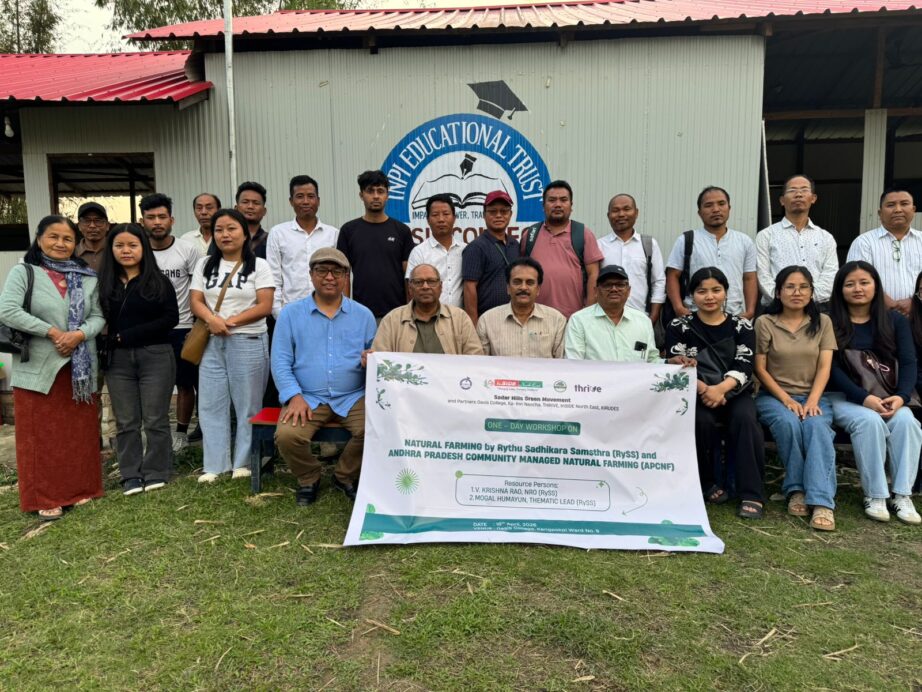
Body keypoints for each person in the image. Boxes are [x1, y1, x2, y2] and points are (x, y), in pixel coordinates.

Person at [0, 215, 105, 520]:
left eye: (67, 238)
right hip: (39, 366)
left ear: (76, 243)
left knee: (77, 433)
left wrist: (78, 334)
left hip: (79, 368)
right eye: (53, 237)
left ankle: (80, 488)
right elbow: (8, 310)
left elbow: (98, 316)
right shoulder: (25, 271)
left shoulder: (87, 276)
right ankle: (44, 496)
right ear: (39, 239)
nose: (60, 243)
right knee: (40, 435)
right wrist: (54, 332)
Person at [272, 248, 376, 506]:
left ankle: (344, 475)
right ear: (311, 275)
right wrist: (293, 396)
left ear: (346, 277)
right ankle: (309, 477)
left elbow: (375, 358)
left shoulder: (363, 315)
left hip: (353, 396)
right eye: (322, 271)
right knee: (287, 436)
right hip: (308, 396)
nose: (330, 277)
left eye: (337, 272)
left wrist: (371, 361)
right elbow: (280, 361)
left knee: (377, 428)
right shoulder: (290, 314)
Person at [665, 267, 765, 519]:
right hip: (695, 391)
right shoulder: (679, 325)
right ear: (692, 296)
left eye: (716, 290)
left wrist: (720, 389)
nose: (709, 297)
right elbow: (676, 364)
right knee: (700, 421)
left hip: (734, 391)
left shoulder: (742, 326)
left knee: (746, 419)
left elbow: (745, 363)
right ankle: (706, 482)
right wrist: (704, 389)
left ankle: (751, 493)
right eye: (702, 291)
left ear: (726, 293)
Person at [827, 261, 921, 524]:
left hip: (888, 394)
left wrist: (901, 397)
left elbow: (909, 361)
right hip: (843, 396)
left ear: (876, 286)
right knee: (869, 422)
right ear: (840, 289)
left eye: (864, 282)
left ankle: (902, 494)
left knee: (907, 422)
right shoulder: (830, 321)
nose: (858, 288)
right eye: (850, 284)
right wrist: (864, 398)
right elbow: (831, 369)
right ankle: (876, 494)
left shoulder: (894, 320)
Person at [189, 209, 274, 483]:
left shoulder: (259, 265)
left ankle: (244, 462)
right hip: (212, 341)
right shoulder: (204, 264)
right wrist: (212, 320)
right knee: (211, 403)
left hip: (248, 340)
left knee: (248, 404)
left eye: (231, 228)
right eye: (219, 230)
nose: (225, 234)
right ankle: (215, 465)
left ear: (244, 233)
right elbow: (196, 300)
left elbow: (265, 305)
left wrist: (229, 322)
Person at [754, 266, 838, 531]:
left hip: (814, 395)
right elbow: (760, 369)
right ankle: (796, 490)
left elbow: (824, 367)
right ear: (778, 292)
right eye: (789, 287)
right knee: (788, 423)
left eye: (803, 287)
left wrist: (812, 400)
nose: (797, 292)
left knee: (816, 426)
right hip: (773, 396)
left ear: (812, 292)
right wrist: (786, 400)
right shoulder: (765, 322)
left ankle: (822, 501)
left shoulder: (822, 322)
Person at [98, 223, 179, 495]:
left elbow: (170, 318)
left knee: (155, 418)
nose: (126, 251)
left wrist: (125, 336)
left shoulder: (158, 281)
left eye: (133, 245)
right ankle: (130, 474)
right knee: (126, 421)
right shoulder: (104, 283)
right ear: (111, 249)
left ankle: (156, 470)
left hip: (155, 356)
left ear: (143, 248)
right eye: (119, 245)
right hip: (118, 361)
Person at [140, 192, 204, 451]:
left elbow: (198, 291)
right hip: (149, 330)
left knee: (185, 383)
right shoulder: (138, 250)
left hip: (183, 328)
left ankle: (181, 434)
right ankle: (155, 435)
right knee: (152, 386)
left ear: (171, 220)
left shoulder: (188, 250)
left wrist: (196, 325)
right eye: (151, 217)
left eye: (162, 217)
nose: (157, 222)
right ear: (142, 221)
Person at [666, 186, 758, 320]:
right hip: (695, 316)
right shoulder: (686, 240)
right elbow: (672, 275)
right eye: (709, 205)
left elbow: (749, 278)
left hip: (733, 315)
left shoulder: (744, 241)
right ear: (699, 213)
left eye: (721, 203)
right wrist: (679, 308)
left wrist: (750, 311)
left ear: (729, 208)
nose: (716, 209)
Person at [337, 170, 414, 320]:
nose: (376, 196)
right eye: (370, 191)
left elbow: (409, 276)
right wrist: (345, 311)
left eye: (380, 191)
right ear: (361, 195)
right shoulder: (348, 230)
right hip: (360, 314)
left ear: (387, 195)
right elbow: (343, 274)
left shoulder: (402, 231)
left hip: (396, 315)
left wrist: (410, 310)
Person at [521, 180, 603, 318]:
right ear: (543, 206)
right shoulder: (530, 235)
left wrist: (587, 315)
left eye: (563, 200)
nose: (558, 204)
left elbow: (593, 274)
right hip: (535, 317)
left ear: (571, 205)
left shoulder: (583, 234)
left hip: (573, 319)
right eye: (552, 200)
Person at [756, 175, 838, 307]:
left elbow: (830, 275)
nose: (798, 194)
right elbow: (762, 275)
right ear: (782, 200)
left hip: (818, 308)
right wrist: (782, 298)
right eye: (792, 190)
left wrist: (807, 298)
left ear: (813, 198)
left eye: (804, 190)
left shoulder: (825, 237)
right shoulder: (766, 235)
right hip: (776, 308)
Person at [266, 175, 339, 318]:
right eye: (299, 196)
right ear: (291, 201)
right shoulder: (278, 233)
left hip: (327, 310)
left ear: (318, 201)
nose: (306, 201)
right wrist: (278, 313)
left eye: (311, 196)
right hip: (291, 311)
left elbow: (340, 275)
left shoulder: (333, 234)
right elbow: (274, 277)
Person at [373, 264, 482, 355]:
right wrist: (370, 358)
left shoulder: (460, 318)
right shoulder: (392, 320)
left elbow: (475, 359)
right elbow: (380, 361)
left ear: (441, 287)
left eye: (431, 281)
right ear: (410, 288)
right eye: (418, 282)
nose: (425, 287)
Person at [847, 189, 922, 317]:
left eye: (904, 204)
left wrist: (915, 302)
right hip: (877, 317)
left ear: (913, 209)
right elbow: (855, 279)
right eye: (891, 205)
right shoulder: (864, 242)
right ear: (880, 213)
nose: (898, 209)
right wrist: (886, 302)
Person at [565, 265, 662, 363]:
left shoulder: (643, 321)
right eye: (607, 285)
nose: (614, 289)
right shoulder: (579, 321)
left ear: (628, 291)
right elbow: (573, 363)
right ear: (596, 291)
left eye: (620, 285)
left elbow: (651, 360)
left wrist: (667, 363)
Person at [477, 257, 566, 358]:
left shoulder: (556, 320)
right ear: (508, 288)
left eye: (530, 282)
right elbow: (481, 363)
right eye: (517, 282)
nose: (523, 287)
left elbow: (561, 364)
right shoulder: (487, 321)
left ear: (538, 289)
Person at [598, 194, 666, 323]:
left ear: (636, 213)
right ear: (608, 215)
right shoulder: (599, 246)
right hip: (606, 319)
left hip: (641, 317)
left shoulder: (649, 244)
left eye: (626, 209)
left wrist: (653, 317)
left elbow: (659, 282)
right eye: (615, 210)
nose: (621, 214)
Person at [462, 190, 521, 326]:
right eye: (493, 211)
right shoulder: (476, 247)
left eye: (504, 211)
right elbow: (469, 287)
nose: (498, 215)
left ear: (510, 214)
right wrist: (473, 325)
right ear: (484, 215)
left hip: (514, 318)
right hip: (487, 321)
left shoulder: (514, 244)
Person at [406, 193, 463, 307]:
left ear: (454, 218)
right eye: (435, 215)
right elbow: (411, 290)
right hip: (428, 315)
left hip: (459, 316)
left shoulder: (465, 250)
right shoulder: (419, 252)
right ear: (428, 220)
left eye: (446, 214)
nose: (441, 219)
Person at [234, 181, 270, 259]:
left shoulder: (271, 240)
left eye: (256, 203)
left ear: (264, 211)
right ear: (236, 209)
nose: (250, 206)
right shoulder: (225, 238)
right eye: (245, 202)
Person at [75, 201, 110, 272]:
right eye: (87, 221)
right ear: (79, 226)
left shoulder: (116, 251)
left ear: (107, 226)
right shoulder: (72, 253)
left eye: (98, 221)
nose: (92, 226)